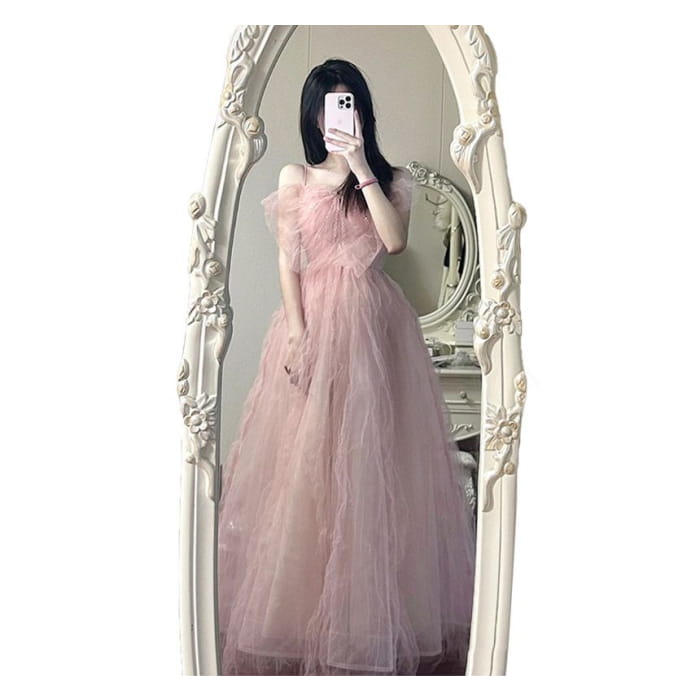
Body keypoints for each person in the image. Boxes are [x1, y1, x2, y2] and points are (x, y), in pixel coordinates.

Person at [217, 58, 475, 676]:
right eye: (329, 104)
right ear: (313, 115)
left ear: (362, 110)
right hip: (313, 327)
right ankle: (303, 620)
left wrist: (361, 167)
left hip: (375, 331)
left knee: (371, 469)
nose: (338, 113)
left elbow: (393, 243)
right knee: (306, 468)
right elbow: (289, 262)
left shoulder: (391, 180)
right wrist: (298, 334)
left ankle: (365, 624)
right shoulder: (296, 176)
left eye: (349, 101)